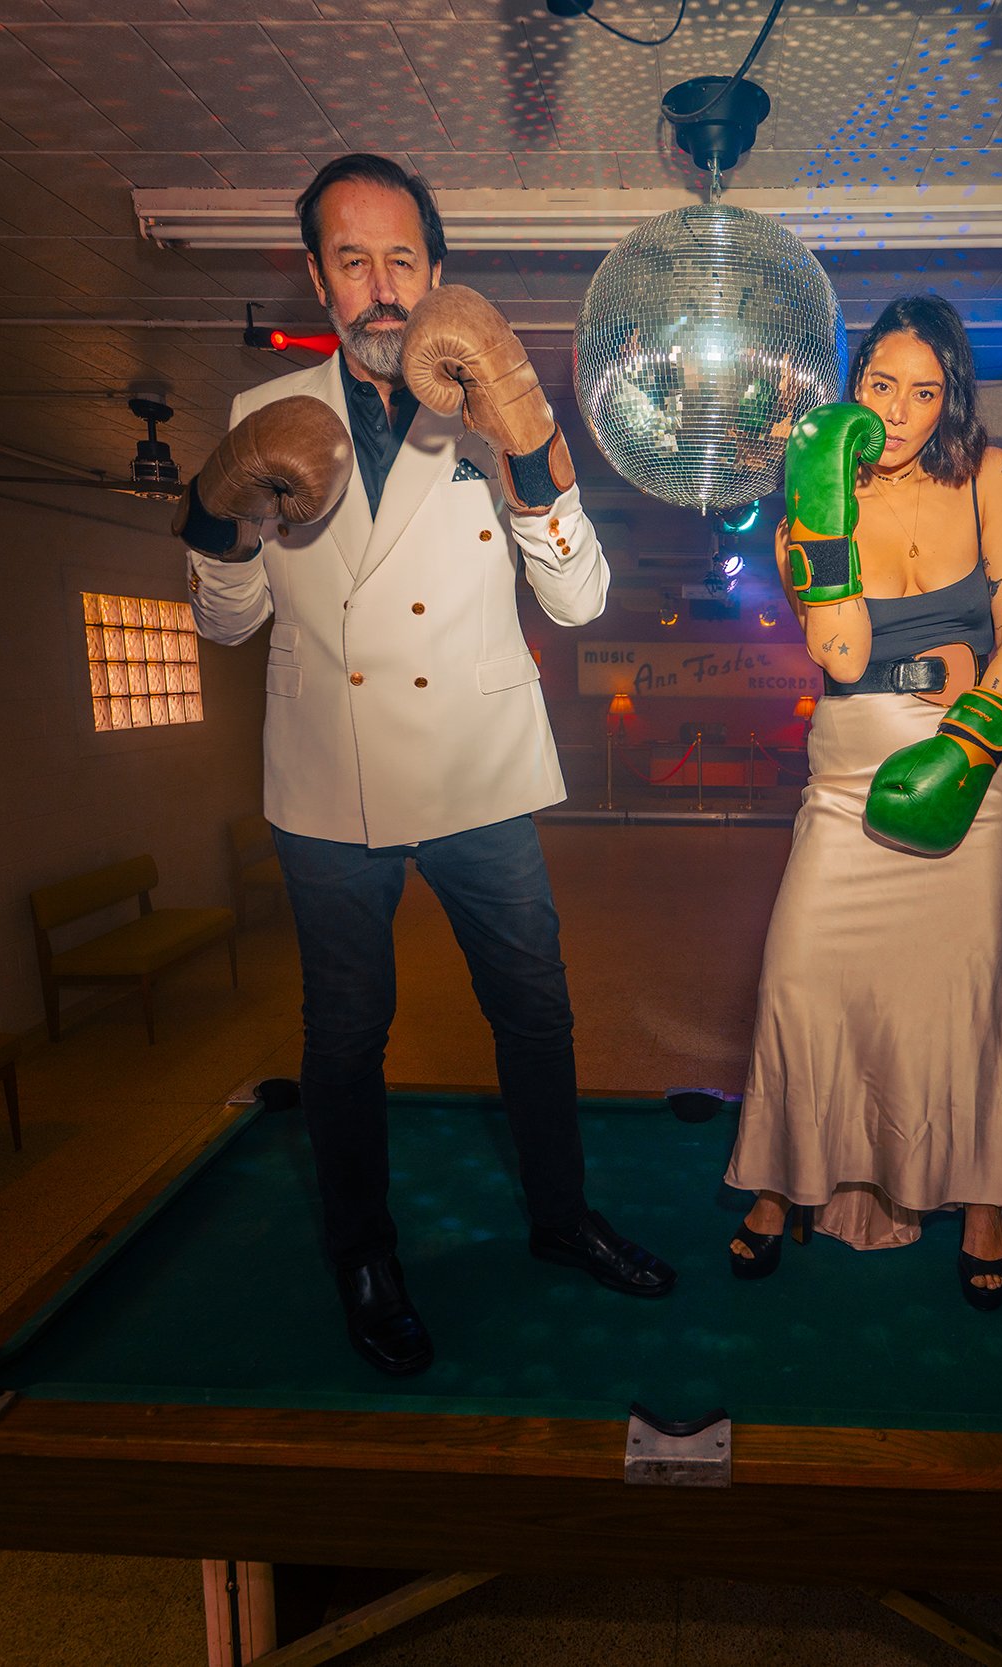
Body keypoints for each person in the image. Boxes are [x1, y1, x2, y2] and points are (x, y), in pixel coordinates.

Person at [174, 153, 674, 1377]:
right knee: (344, 1032)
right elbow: (228, 621)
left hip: (475, 765)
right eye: (352, 259)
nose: (381, 285)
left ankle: (560, 1219)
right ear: (317, 276)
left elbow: (581, 598)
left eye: (402, 258)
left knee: (536, 1007)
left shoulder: (486, 393)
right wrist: (209, 508)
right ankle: (362, 1252)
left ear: (434, 270)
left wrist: (535, 437)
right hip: (324, 772)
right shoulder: (259, 413)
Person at [724, 294, 1002, 1310]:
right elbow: (846, 652)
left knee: (960, 999)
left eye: (923, 391)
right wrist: (822, 496)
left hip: (966, 765)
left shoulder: (993, 475)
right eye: (879, 387)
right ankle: (783, 1181)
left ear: (950, 397)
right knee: (800, 981)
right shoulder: (812, 506)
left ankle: (981, 1199)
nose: (898, 412)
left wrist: (967, 747)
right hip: (849, 770)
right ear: (851, 387)